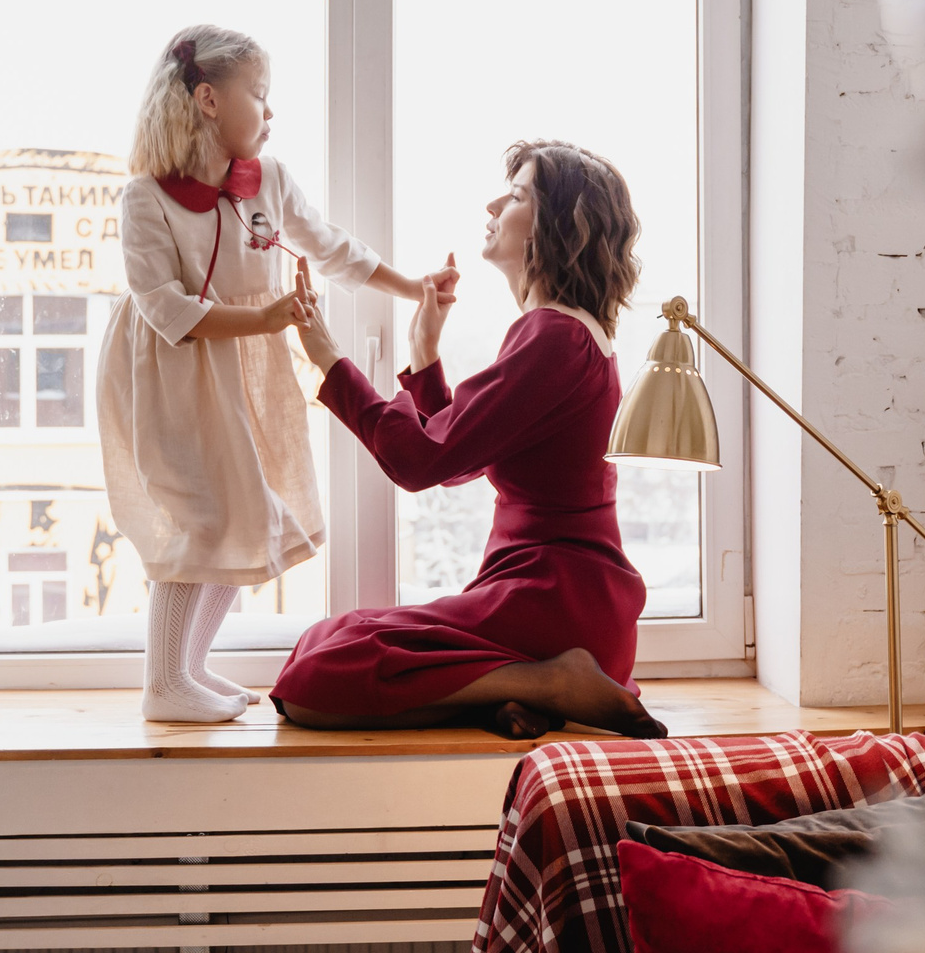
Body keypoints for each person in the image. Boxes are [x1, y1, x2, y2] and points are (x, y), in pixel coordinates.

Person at [98, 25, 455, 722]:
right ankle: (162, 681)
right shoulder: (145, 199)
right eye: (258, 95)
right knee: (193, 517)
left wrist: (413, 288)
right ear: (207, 99)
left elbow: (330, 247)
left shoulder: (270, 183)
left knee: (248, 513)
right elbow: (166, 308)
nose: (270, 112)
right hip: (170, 372)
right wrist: (266, 318)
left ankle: (186, 669)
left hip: (239, 372)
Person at [275, 141, 665, 740]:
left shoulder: (555, 337)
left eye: (515, 196)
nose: (492, 203)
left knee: (313, 677)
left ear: (557, 227)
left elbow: (418, 459)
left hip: (556, 599)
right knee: (322, 638)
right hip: (563, 600)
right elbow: (456, 458)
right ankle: (522, 689)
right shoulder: (565, 333)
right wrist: (425, 354)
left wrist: (326, 356)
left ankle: (547, 682)